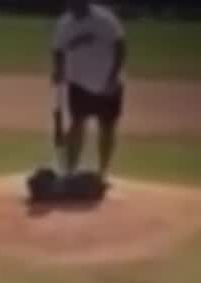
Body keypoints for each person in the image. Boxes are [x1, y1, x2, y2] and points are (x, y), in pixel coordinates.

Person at [50, 0, 128, 179]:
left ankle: (103, 171)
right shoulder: (64, 24)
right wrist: (58, 69)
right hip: (77, 82)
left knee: (107, 127)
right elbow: (57, 50)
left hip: (107, 82)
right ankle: (70, 170)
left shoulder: (105, 20)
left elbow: (120, 48)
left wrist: (114, 77)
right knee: (77, 124)